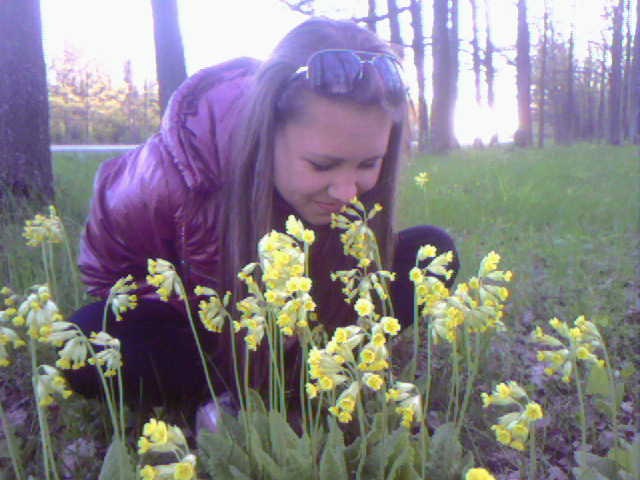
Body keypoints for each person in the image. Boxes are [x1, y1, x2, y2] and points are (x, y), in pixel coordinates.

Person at [66, 17, 459, 420]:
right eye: (322, 165)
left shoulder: (354, 192)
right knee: (87, 339)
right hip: (214, 333)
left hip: (308, 321)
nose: (347, 192)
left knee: (431, 253)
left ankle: (314, 375)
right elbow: (109, 279)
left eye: (368, 164)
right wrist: (227, 319)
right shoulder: (165, 177)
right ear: (265, 133)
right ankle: (229, 393)